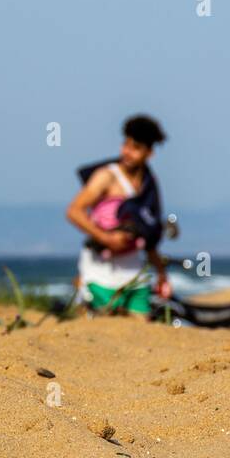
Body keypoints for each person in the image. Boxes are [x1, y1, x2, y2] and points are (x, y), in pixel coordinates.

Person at [65, 114, 170, 314]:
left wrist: (161, 273)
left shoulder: (149, 187)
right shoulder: (107, 176)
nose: (127, 152)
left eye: (135, 148)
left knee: (141, 326)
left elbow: (149, 237)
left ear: (149, 153)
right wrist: (106, 238)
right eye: (126, 145)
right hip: (101, 271)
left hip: (132, 271)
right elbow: (74, 211)